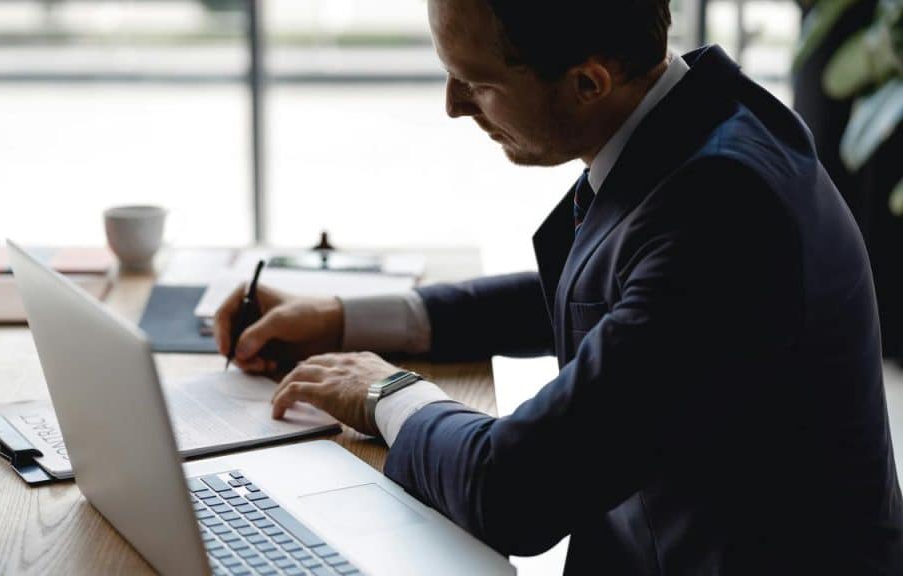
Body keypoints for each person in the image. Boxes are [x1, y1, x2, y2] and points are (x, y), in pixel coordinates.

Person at [215, 0, 903, 573]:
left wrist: (384, 391)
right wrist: (342, 318)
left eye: (476, 82)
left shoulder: (722, 209)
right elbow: (607, 298)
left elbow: (516, 491)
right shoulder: (693, 122)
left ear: (588, 83)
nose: (453, 105)